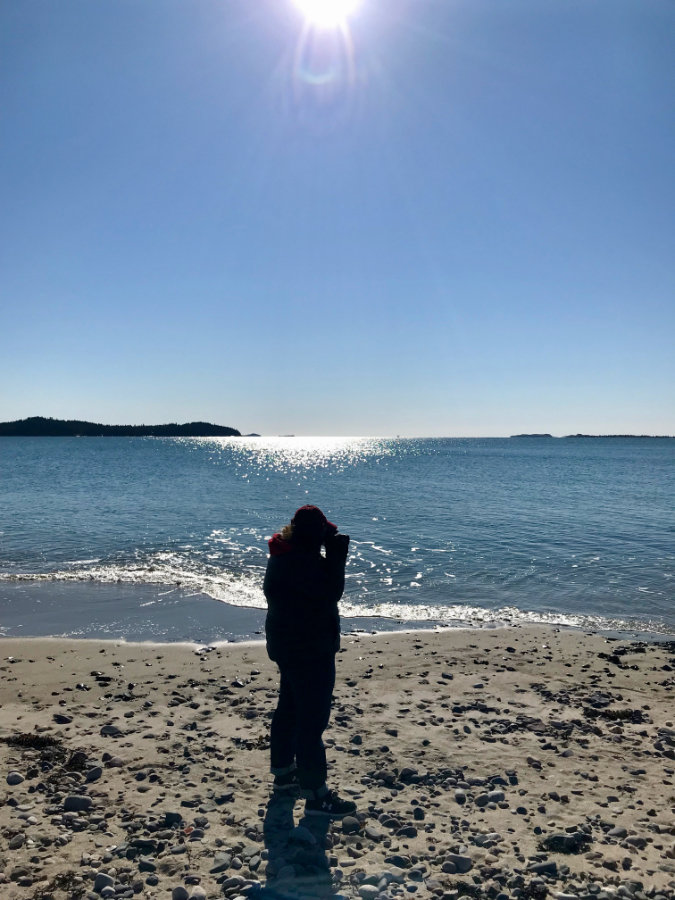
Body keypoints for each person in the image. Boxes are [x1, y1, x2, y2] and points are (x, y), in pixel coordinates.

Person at [263, 504, 357, 818]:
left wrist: (328, 552)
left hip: (288, 646)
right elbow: (332, 592)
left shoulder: (283, 554)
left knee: (289, 709)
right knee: (311, 722)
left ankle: (284, 777)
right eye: (323, 534)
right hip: (309, 649)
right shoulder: (302, 562)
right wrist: (337, 557)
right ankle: (317, 796)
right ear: (313, 536)